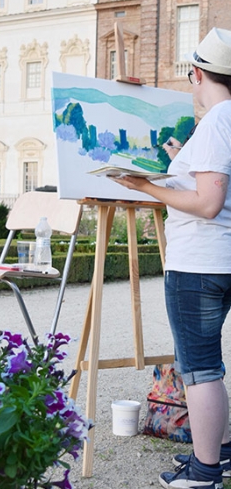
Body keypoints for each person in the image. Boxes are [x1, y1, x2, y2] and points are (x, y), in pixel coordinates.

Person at [113, 27, 231, 489]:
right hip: (220, 259)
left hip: (200, 263)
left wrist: (147, 187)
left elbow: (208, 204)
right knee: (207, 367)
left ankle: (203, 475)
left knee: (200, 370)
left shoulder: (217, 121)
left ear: (197, 73)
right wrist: (182, 161)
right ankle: (218, 456)